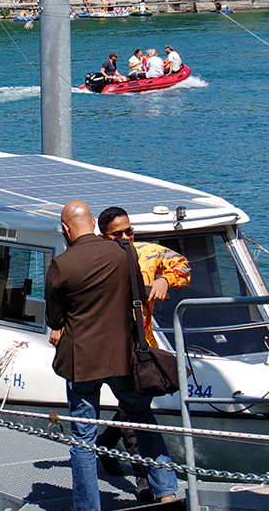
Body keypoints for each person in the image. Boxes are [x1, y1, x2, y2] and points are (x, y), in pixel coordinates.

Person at [45, 200, 178, 510]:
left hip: (82, 362)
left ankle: (88, 507)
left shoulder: (62, 265)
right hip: (123, 356)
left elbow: (55, 319)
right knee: (143, 418)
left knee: (83, 438)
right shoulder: (125, 253)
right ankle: (166, 490)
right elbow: (137, 297)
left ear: (65, 228)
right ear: (93, 223)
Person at [95, 206, 191, 501]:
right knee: (138, 411)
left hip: (142, 345)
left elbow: (183, 266)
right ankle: (142, 477)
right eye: (118, 234)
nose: (126, 237)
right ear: (103, 236)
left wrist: (164, 280)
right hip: (109, 346)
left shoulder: (148, 253)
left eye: (129, 231)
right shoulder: (95, 260)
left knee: (136, 406)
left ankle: (107, 443)